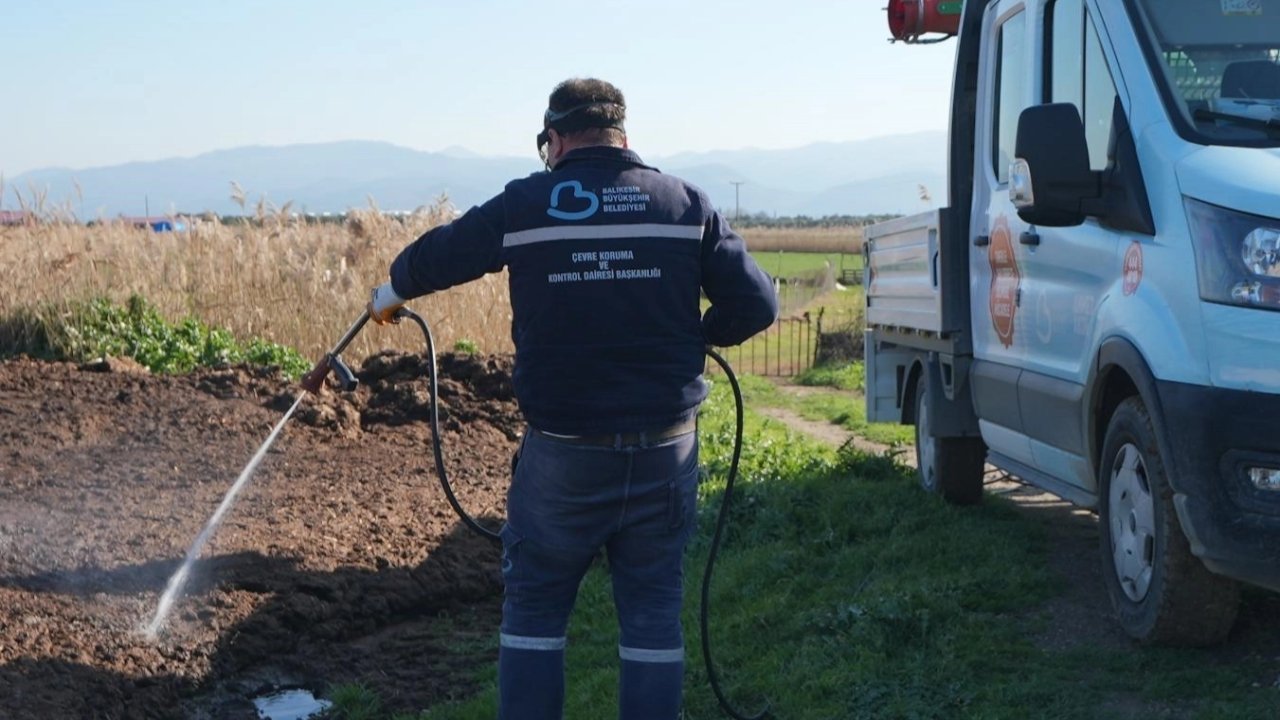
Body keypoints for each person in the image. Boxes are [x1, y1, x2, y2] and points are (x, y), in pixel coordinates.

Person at [368, 77, 777, 720]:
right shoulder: (685, 203)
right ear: (624, 137)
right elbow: (758, 303)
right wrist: (700, 337)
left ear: (554, 140)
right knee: (651, 614)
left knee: (534, 609)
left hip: (563, 455)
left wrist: (391, 291)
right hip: (665, 452)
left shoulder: (528, 203)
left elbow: (444, 254)